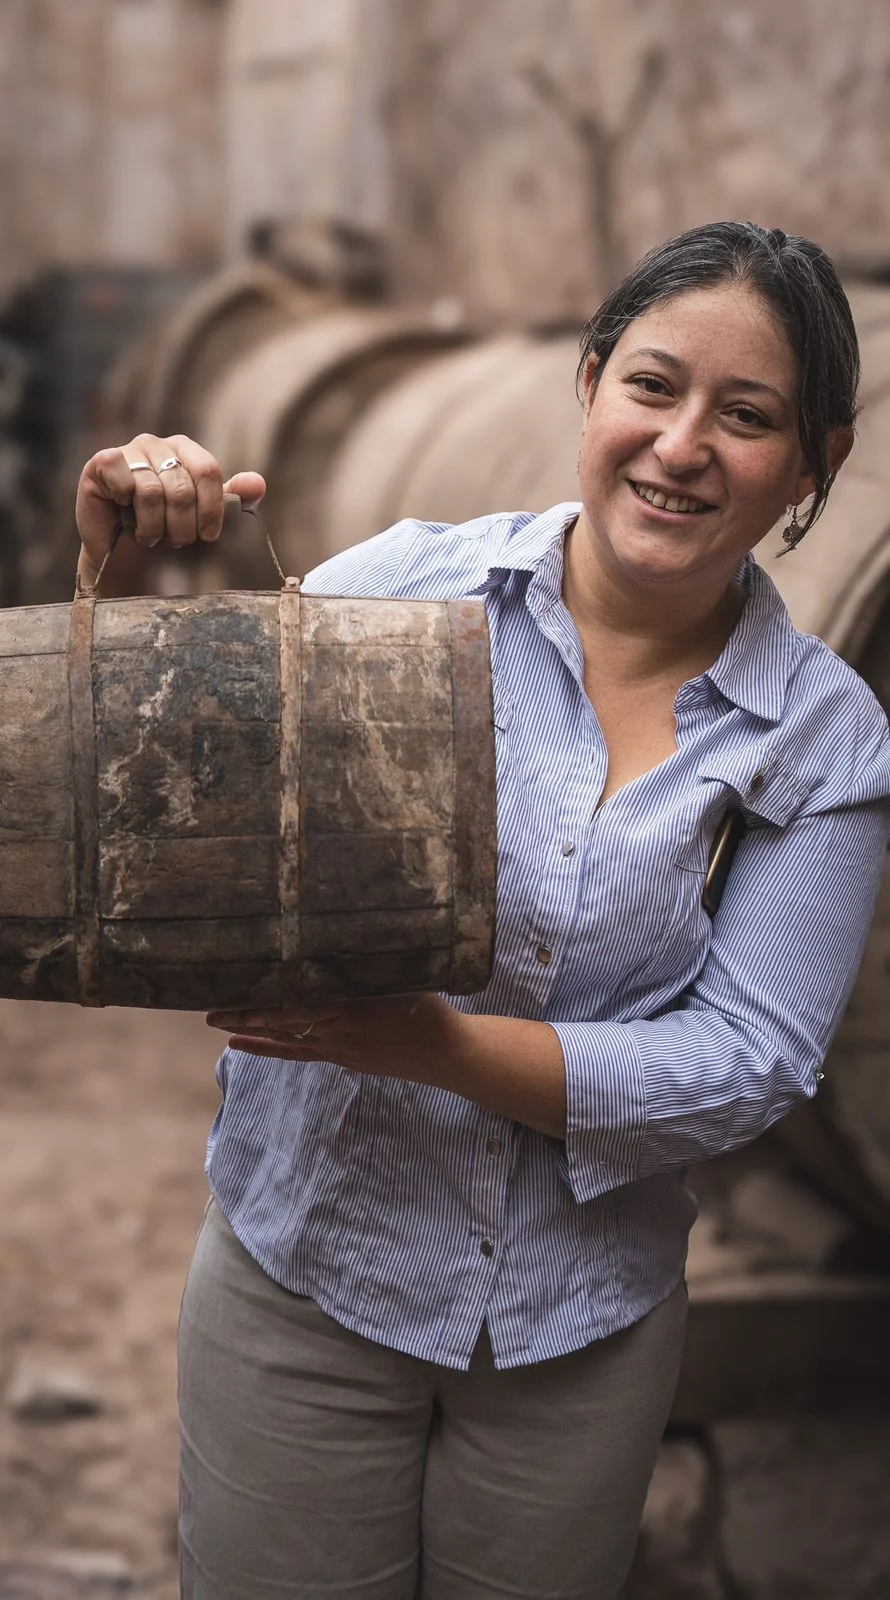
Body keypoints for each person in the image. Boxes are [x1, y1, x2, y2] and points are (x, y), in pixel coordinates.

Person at [74, 222, 890, 1600]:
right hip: (304, 1282)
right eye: (650, 385)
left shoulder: (822, 739)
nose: (680, 444)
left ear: (814, 466)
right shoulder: (405, 587)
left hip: (577, 1334)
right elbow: (152, 773)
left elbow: (751, 1059)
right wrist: (123, 557)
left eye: (744, 417)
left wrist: (427, 1044)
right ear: (586, 386)